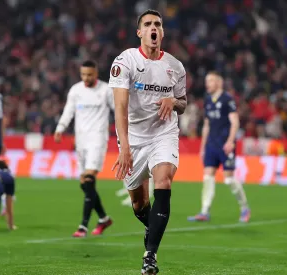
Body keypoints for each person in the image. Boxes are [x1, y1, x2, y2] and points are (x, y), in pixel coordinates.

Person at [108, 9, 187, 275]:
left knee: (163, 180)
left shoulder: (175, 67)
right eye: (148, 24)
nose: (154, 28)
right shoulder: (125, 61)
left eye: (158, 24)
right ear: (139, 32)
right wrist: (125, 146)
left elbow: (183, 104)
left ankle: (149, 256)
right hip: (133, 138)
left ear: (162, 33)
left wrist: (173, 101)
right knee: (139, 205)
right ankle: (150, 224)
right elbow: (120, 106)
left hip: (163, 133)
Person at [54, 60, 114, 238]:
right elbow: (68, 111)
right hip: (81, 141)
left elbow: (118, 111)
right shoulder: (76, 90)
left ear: (96, 74)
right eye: (83, 75)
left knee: (88, 180)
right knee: (84, 184)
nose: (86, 78)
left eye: (90, 74)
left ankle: (83, 226)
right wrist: (60, 128)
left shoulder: (105, 91)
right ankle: (103, 218)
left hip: (97, 139)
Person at [188, 72, 251, 223]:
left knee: (229, 180)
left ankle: (244, 207)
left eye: (210, 81)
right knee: (208, 177)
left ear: (219, 82)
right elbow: (207, 125)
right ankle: (204, 211)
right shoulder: (208, 99)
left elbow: (235, 122)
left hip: (225, 145)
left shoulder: (227, 99)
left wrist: (230, 141)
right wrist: (203, 147)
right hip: (211, 145)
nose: (207, 84)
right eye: (206, 81)